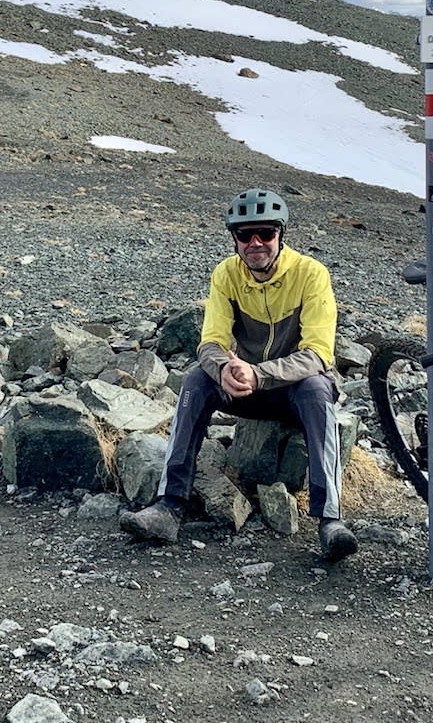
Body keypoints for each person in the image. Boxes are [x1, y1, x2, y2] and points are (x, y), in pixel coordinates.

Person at [121, 188, 358, 562]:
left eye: (265, 232)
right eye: (245, 235)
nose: (256, 243)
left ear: (281, 234)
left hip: (293, 390)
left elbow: (318, 354)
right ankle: (168, 507)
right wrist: (225, 369)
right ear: (234, 238)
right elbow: (210, 342)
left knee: (316, 388)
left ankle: (330, 520)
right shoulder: (226, 275)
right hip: (246, 387)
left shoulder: (311, 274)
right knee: (197, 380)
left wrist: (258, 374)